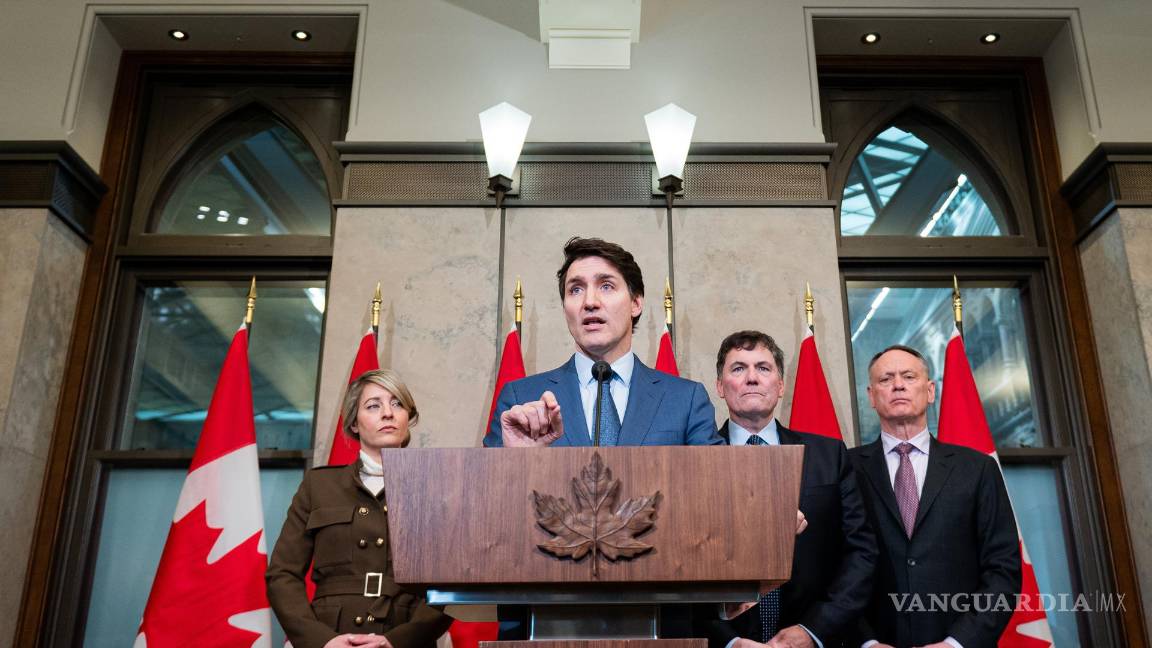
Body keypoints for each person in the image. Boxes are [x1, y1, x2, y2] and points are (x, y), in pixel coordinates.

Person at [700, 331, 876, 648]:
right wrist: (730, 641)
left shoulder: (829, 455)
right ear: (720, 387)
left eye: (764, 368)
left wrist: (812, 631)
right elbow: (683, 564)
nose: (752, 378)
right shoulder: (698, 459)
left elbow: (860, 553)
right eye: (738, 368)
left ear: (780, 386)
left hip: (817, 637)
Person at [267, 370, 453, 648]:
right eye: (373, 405)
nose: (388, 413)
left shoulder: (437, 487)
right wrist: (322, 641)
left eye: (397, 404)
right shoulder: (319, 485)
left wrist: (397, 642)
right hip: (329, 635)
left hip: (405, 635)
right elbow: (282, 574)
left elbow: (452, 584)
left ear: (408, 419)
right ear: (354, 422)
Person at [849, 346, 1020, 648]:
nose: (898, 385)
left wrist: (956, 643)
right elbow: (834, 568)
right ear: (871, 397)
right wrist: (866, 642)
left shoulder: (977, 468)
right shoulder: (846, 469)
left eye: (909, 376)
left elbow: (1002, 570)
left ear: (930, 391)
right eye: (886, 379)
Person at [482, 236, 720, 448]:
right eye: (575, 290)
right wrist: (516, 461)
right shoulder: (519, 397)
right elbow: (485, 492)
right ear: (565, 308)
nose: (590, 302)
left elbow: (714, 488)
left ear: (636, 303)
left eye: (606, 286)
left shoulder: (685, 399)